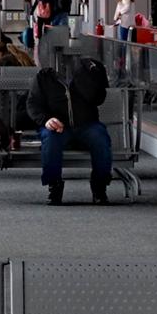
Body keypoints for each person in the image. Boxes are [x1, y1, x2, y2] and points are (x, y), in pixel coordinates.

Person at [24, 54, 112, 205]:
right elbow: (33, 104)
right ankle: (54, 185)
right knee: (51, 140)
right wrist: (46, 120)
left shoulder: (88, 72)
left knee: (101, 139)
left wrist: (84, 75)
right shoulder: (43, 77)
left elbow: (98, 98)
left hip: (87, 123)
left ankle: (99, 186)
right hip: (57, 125)